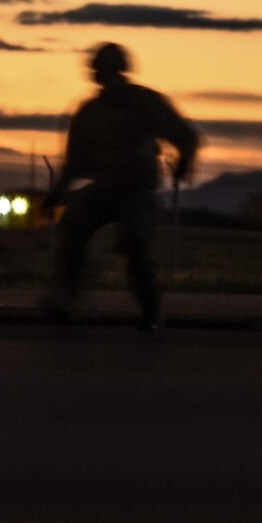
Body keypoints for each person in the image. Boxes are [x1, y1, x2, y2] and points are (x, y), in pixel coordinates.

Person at [44, 43, 198, 331]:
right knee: (72, 229)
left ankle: (150, 312)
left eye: (112, 72)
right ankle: (66, 299)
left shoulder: (147, 104)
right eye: (103, 73)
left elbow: (185, 135)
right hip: (103, 188)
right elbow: (75, 160)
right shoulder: (89, 113)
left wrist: (184, 163)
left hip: (137, 190)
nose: (107, 78)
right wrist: (58, 192)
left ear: (122, 72)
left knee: (135, 244)